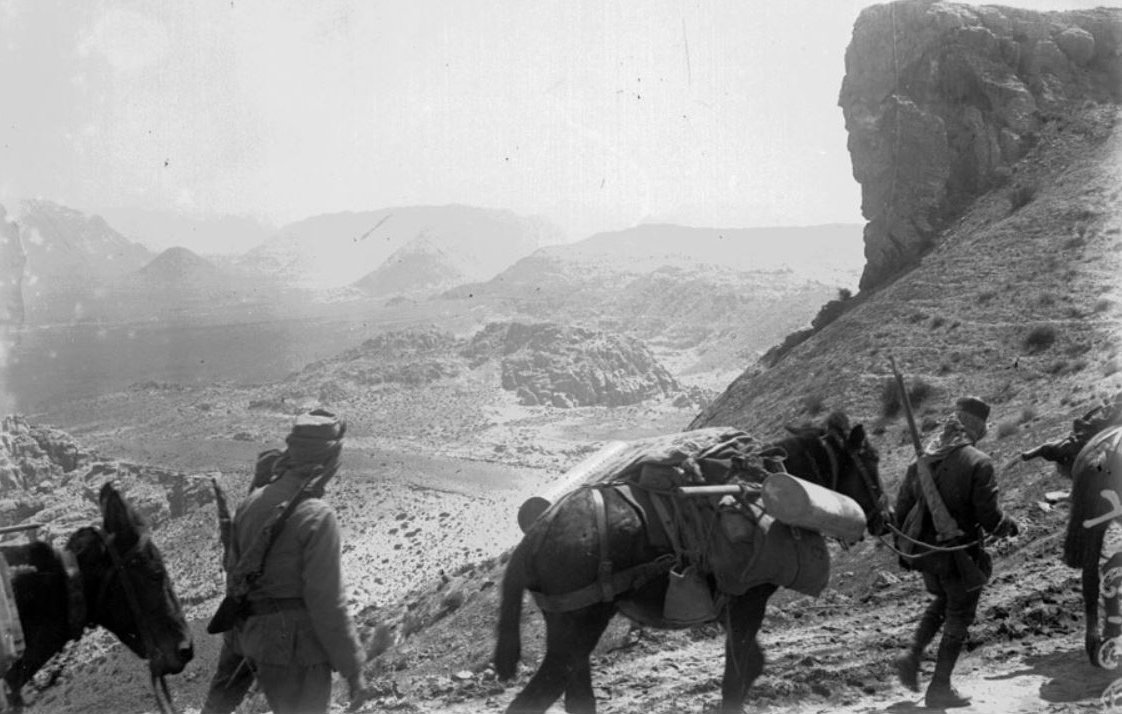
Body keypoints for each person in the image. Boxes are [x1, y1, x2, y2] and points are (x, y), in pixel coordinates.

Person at [200, 409, 370, 714]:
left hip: (245, 637)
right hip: (292, 650)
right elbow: (328, 603)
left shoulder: (252, 501)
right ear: (329, 461)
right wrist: (353, 668)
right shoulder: (318, 516)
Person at [893, 396, 1020, 708]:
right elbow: (990, 518)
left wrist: (907, 552)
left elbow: (902, 510)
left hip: (926, 554)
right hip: (959, 555)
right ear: (977, 426)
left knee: (943, 600)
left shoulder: (924, 457)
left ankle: (912, 656)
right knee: (960, 613)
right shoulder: (979, 462)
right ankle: (939, 688)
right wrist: (1010, 526)